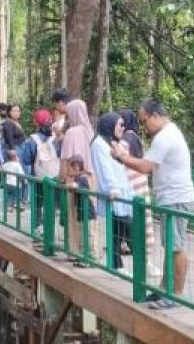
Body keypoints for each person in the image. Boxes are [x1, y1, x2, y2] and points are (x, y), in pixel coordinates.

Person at [111, 99, 194, 309]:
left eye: (145, 121)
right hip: (170, 198)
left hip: (176, 198)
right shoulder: (167, 134)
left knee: (176, 247)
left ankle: (175, 295)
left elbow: (145, 167)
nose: (143, 126)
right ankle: (163, 289)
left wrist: (122, 156)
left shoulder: (165, 137)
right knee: (170, 245)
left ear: (156, 116)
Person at [117, 109, 161, 286]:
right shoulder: (134, 137)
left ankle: (142, 263)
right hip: (140, 185)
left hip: (132, 187)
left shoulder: (127, 139)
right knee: (141, 224)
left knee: (133, 224)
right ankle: (143, 261)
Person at [91, 113, 135, 269]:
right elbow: (103, 168)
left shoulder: (114, 143)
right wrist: (111, 188)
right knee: (126, 231)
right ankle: (135, 265)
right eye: (120, 125)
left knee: (119, 232)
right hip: (114, 193)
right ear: (110, 125)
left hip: (122, 191)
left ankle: (117, 265)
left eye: (124, 124)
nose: (123, 128)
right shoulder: (99, 144)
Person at [59, 100, 97, 258]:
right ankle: (91, 251)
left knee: (74, 216)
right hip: (89, 178)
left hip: (73, 179)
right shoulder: (90, 132)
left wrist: (63, 178)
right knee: (89, 216)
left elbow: (66, 159)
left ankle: (75, 251)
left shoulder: (72, 132)